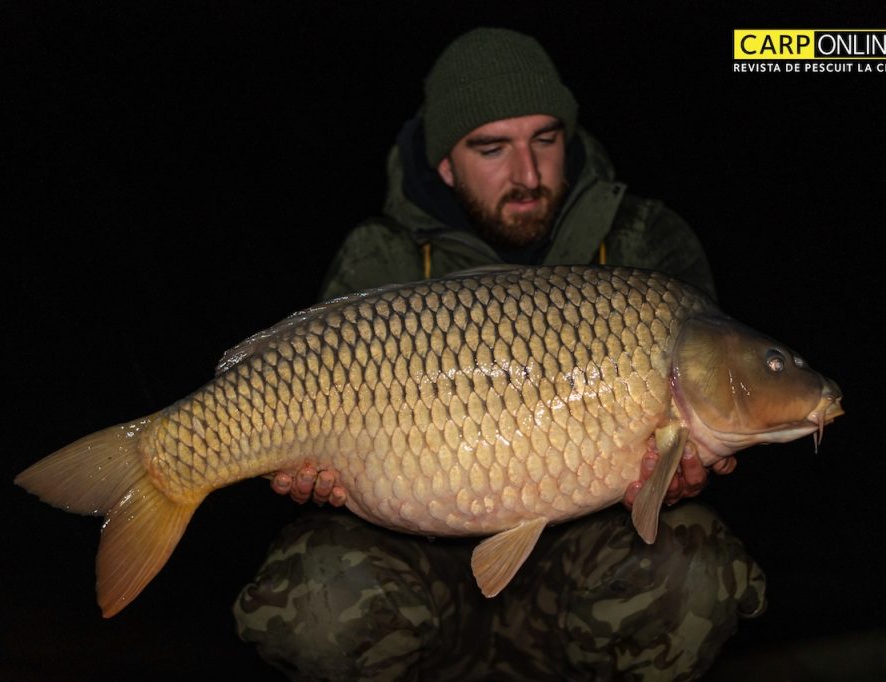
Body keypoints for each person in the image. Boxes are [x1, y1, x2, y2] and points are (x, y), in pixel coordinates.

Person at [235, 28, 758, 680]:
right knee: (314, 602)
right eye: (492, 148)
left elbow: (699, 419)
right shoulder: (381, 257)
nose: (528, 174)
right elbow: (320, 445)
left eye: (546, 139)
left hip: (585, 564)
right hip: (420, 567)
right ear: (445, 165)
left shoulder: (644, 241)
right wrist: (315, 470)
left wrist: (677, 474)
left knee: (694, 571)